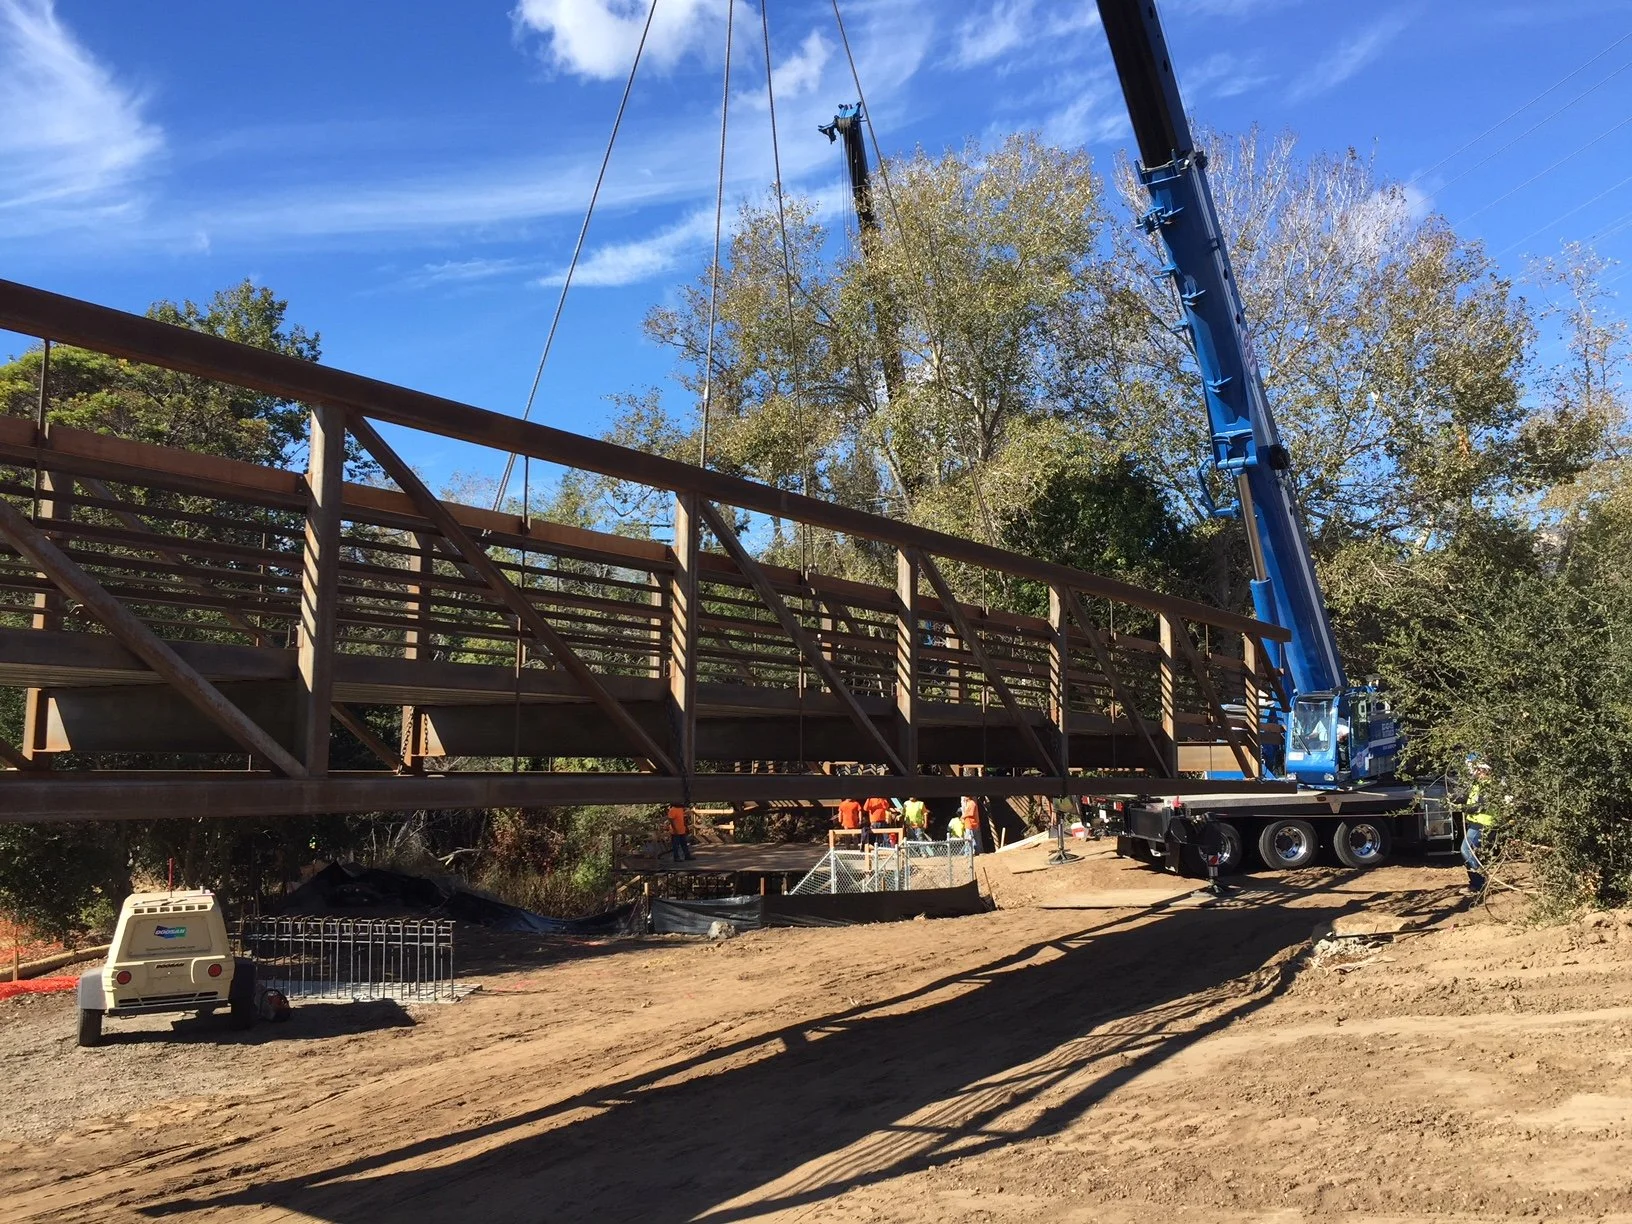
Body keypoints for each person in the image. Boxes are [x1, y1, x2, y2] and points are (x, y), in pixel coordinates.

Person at [1460, 753, 1496, 898]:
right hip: (1476, 822)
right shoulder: (1478, 783)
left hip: (1483, 822)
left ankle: (1480, 883)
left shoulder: (1489, 785)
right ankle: (1476, 884)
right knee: (1473, 852)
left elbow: (1481, 804)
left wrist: (1468, 808)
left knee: (1466, 850)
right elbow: (1471, 799)